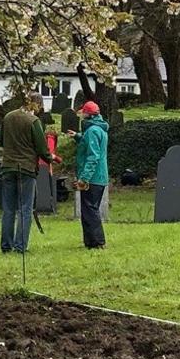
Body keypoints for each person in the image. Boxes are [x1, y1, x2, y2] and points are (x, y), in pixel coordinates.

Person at [0, 94, 44, 254]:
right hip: (26, 169)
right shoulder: (33, 121)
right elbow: (41, 148)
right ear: (36, 104)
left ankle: (6, 245)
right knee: (25, 209)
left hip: (8, 167)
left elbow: (1, 142)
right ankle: (20, 246)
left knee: (8, 209)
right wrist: (50, 158)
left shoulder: (8, 117)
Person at [73, 101, 110, 249]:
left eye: (84, 112)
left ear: (88, 114)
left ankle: (98, 242)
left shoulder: (92, 130)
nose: (82, 114)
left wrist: (84, 178)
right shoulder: (99, 129)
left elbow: (93, 156)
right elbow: (91, 142)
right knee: (88, 209)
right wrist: (77, 136)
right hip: (100, 176)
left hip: (92, 177)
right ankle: (90, 241)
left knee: (90, 209)